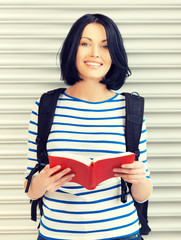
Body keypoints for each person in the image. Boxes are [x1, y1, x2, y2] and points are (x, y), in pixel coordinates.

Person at [24, 13, 152, 240]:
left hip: (121, 233)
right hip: (56, 234)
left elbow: (141, 196)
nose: (95, 53)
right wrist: (42, 182)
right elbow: (30, 189)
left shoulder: (131, 108)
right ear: (73, 49)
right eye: (85, 43)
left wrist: (140, 178)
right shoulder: (45, 106)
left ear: (115, 55)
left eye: (105, 46)